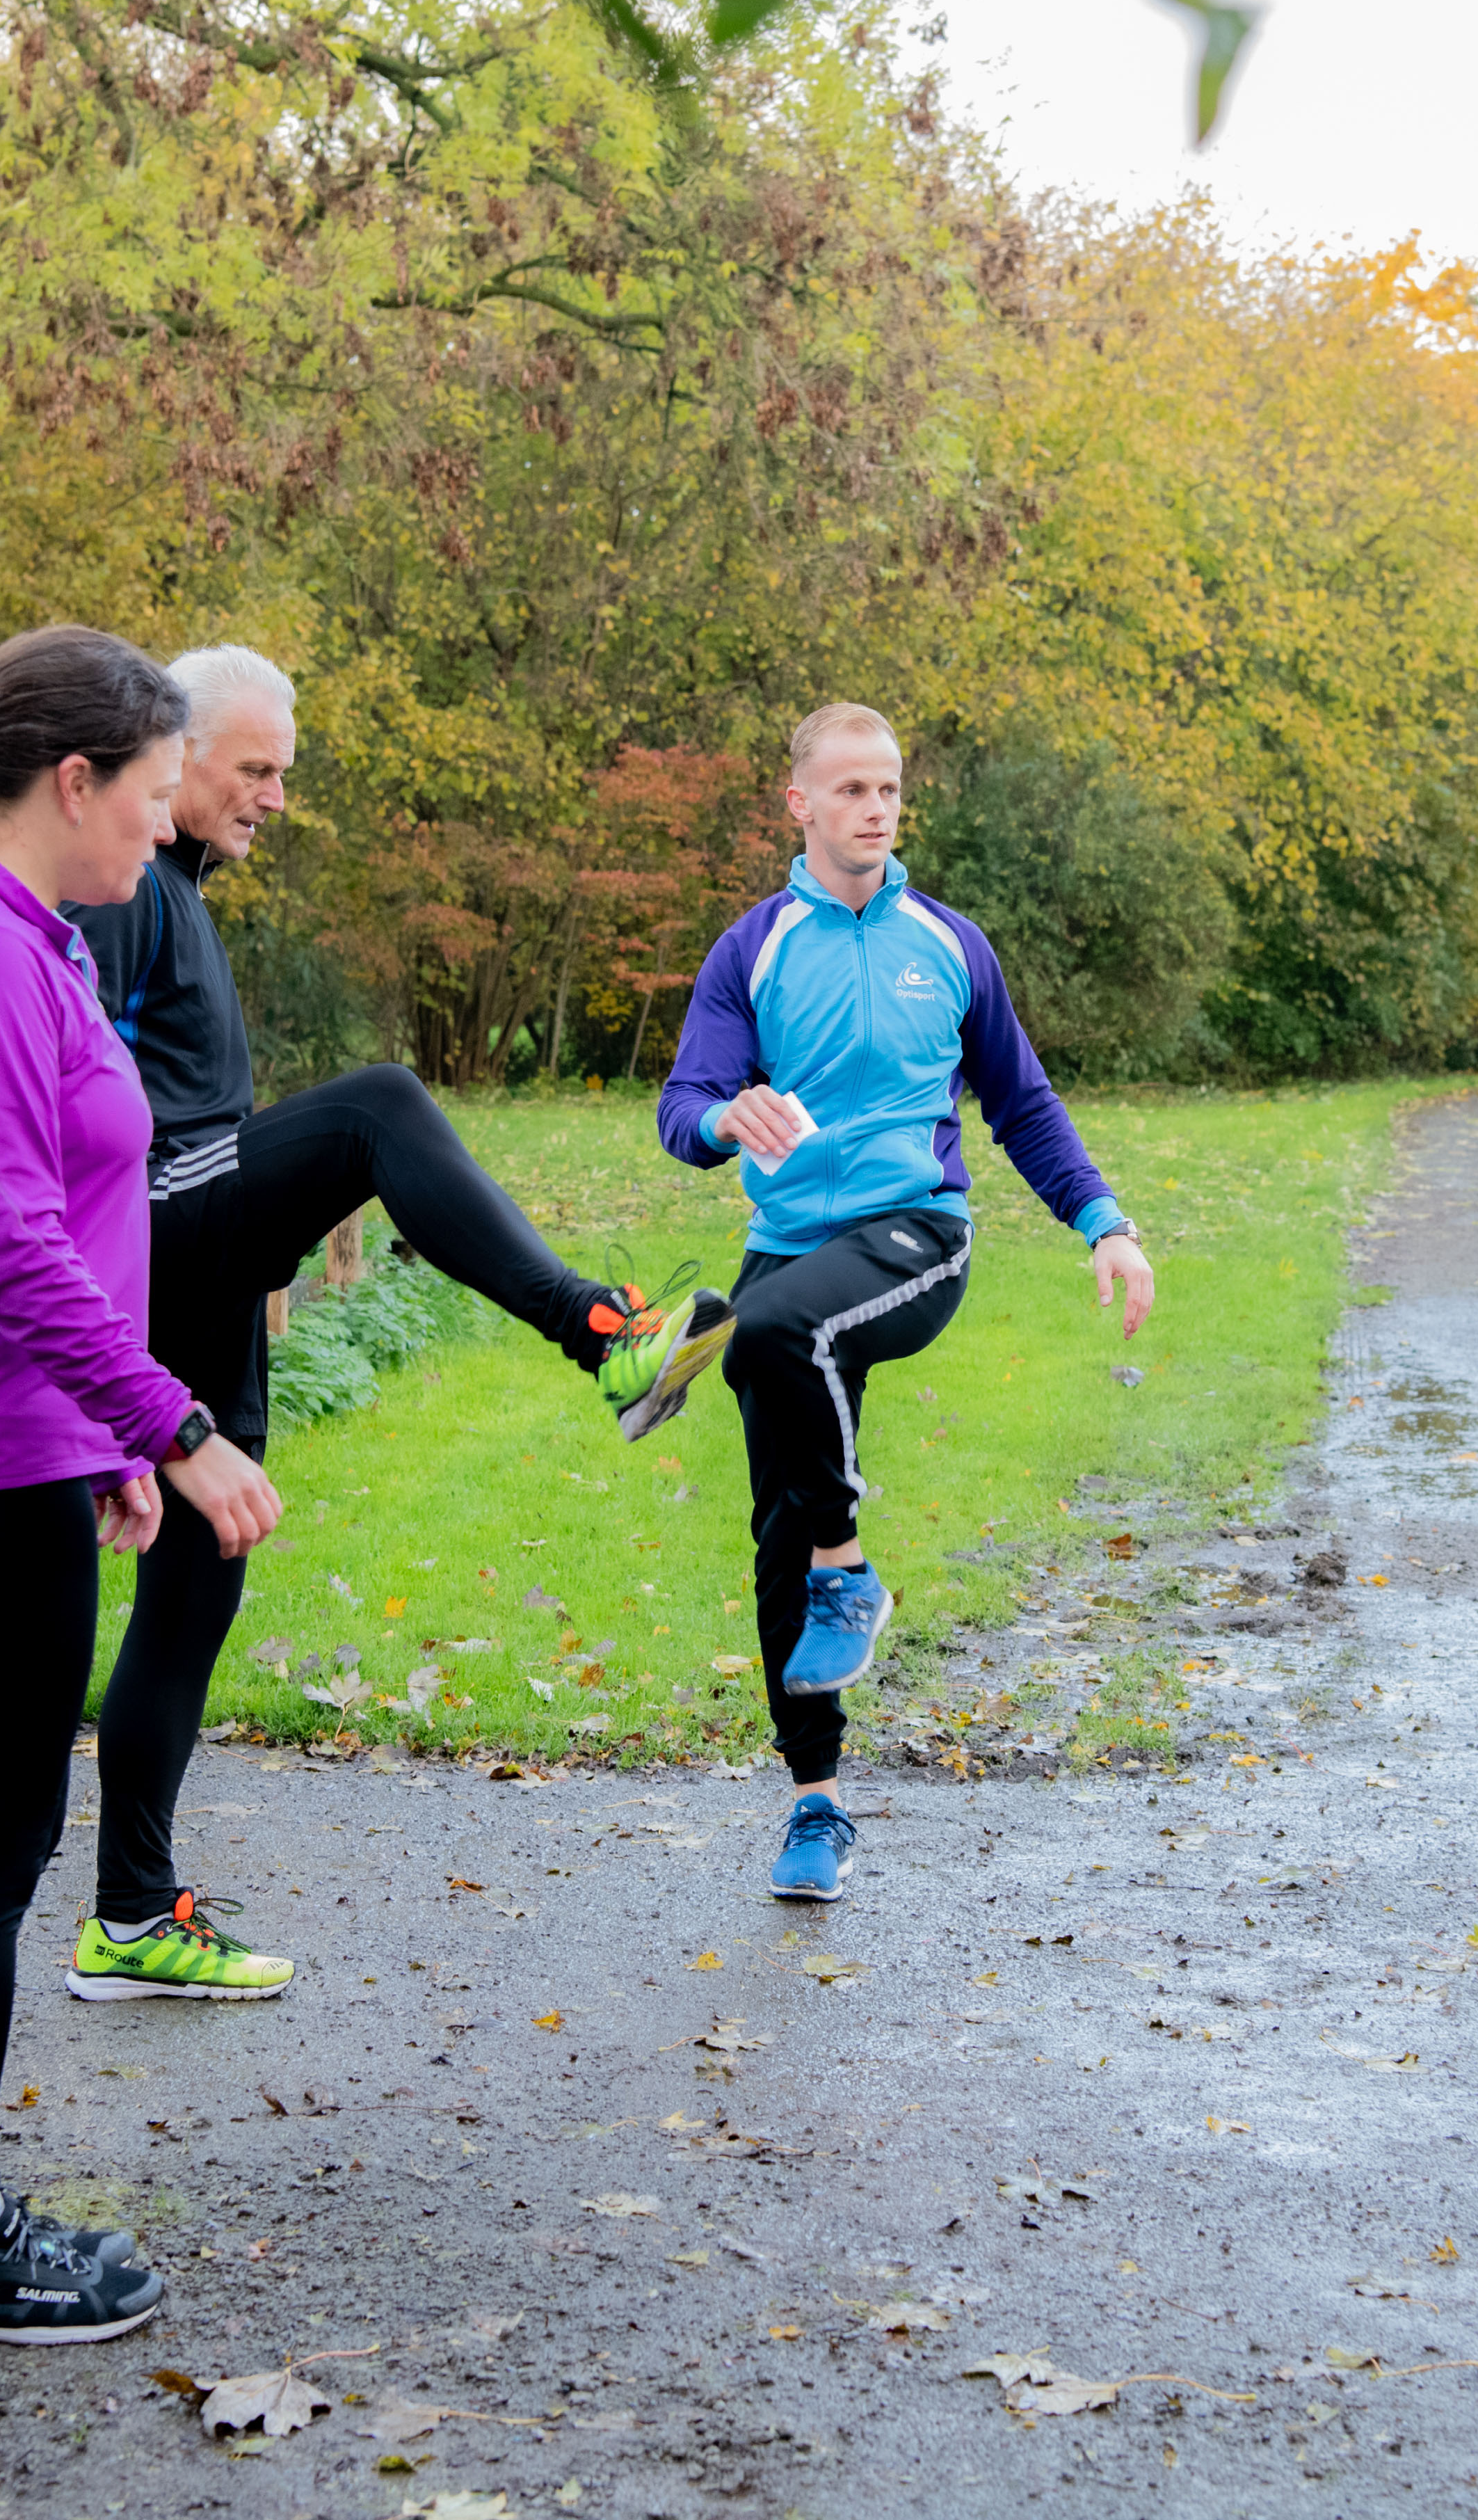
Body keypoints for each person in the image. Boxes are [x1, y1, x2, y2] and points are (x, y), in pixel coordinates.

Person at [57, 646, 737, 2009]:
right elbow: (71, 1125)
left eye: (283, 774)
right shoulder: (122, 894)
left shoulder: (176, 894)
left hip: (194, 1273)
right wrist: (100, 1379)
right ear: (172, 757)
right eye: (257, 771)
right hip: (159, 1231)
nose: (277, 800)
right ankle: (602, 1331)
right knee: (376, 1109)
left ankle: (130, 1917)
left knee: (196, 1590)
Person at [0, 623, 282, 2347]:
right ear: (76, 783)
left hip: (9, 1446)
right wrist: (175, 1426)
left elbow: (40, 1225)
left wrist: (93, 1443)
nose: (167, 832)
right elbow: (14, 1252)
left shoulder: (21, 937)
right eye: (158, 797)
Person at [659, 702, 1157, 1902]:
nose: (874, 810)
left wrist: (1106, 1223)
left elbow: (1021, 1104)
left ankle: (852, 1566)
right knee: (773, 1510)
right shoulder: (754, 948)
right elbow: (684, 1104)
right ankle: (814, 1805)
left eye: (887, 790)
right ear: (799, 806)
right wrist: (727, 1120)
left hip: (912, 1234)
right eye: (849, 791)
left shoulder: (950, 943)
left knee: (765, 1336)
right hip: (790, 1241)